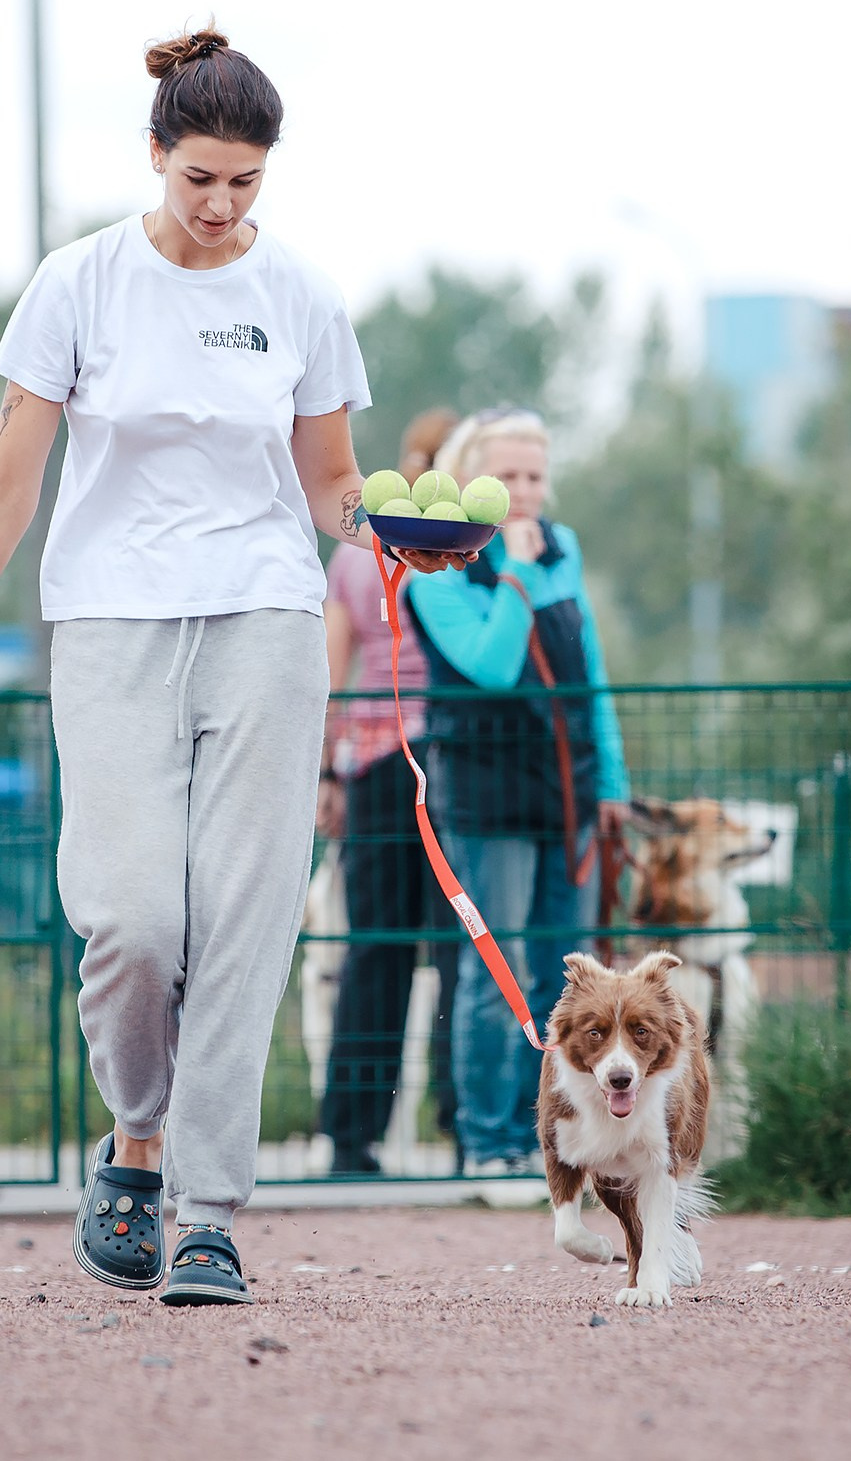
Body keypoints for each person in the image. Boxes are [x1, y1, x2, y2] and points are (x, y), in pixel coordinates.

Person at [0, 28, 477, 1305]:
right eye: (199, 177)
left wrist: (390, 530)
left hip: (265, 620)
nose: (219, 205)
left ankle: (207, 1213)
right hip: (109, 626)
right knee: (136, 920)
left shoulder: (300, 294)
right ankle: (134, 1139)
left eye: (244, 183)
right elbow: (7, 487)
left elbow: (326, 485)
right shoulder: (78, 285)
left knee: (247, 923)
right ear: (155, 154)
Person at [403, 407, 629, 1178]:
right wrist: (519, 575)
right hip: (486, 790)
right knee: (494, 973)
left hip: (567, 789)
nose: (525, 491)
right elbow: (493, 665)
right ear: (471, 479)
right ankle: (488, 1139)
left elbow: (589, 669)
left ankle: (559, 1139)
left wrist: (612, 779)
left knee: (568, 972)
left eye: (535, 476)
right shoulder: (436, 564)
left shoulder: (563, 548)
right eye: (507, 476)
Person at [316, 406, 461, 1176]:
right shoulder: (463, 546)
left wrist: (328, 771)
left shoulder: (360, 549)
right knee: (456, 945)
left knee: (377, 946)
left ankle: (351, 1133)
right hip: (439, 755)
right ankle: (463, 1125)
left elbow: (332, 668)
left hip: (377, 757)